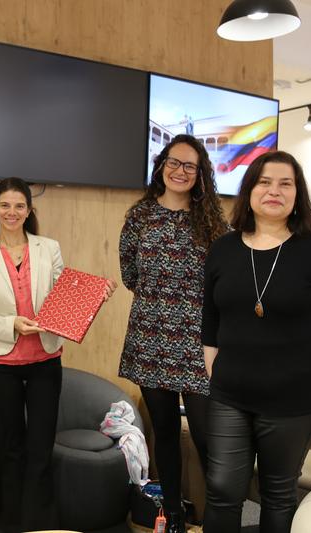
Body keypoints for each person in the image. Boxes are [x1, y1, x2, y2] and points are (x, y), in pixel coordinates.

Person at [201, 150, 311, 533]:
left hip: (295, 398)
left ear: (297, 194)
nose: (274, 191)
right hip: (230, 395)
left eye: (285, 183)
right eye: (264, 182)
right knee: (222, 488)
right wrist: (214, 371)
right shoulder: (224, 248)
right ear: (250, 191)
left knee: (278, 493)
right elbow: (210, 318)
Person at [0, 177, 115, 532]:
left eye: (19, 206)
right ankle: (7, 524)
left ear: (29, 211)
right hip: (1, 366)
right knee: (10, 449)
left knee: (41, 449)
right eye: (5, 205)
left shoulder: (48, 248)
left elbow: (63, 298)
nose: (12, 212)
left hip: (46, 361)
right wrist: (11, 323)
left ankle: (40, 526)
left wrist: (94, 295)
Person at [118, 134, 227, 532]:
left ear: (200, 176)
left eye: (190, 166)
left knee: (206, 437)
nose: (180, 171)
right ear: (162, 165)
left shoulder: (214, 221)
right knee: (163, 434)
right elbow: (130, 274)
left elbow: (225, 280)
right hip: (149, 340)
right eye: (174, 162)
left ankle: (219, 516)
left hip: (201, 345)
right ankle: (175, 518)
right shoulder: (139, 216)